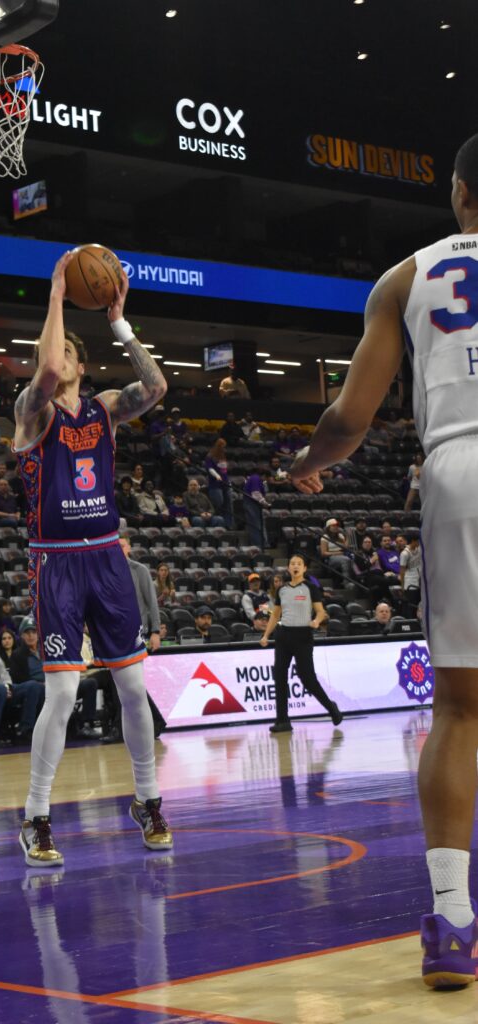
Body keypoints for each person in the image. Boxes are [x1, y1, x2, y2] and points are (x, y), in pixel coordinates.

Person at [288, 133, 478, 989]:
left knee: (461, 711)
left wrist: (307, 462)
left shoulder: (405, 277)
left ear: (458, 192)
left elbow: (348, 418)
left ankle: (451, 923)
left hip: (459, 468)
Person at [12, 251, 172, 866]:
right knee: (61, 696)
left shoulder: (105, 408)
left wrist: (120, 324)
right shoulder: (32, 412)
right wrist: (56, 291)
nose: (55, 362)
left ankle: (148, 800)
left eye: (66, 354)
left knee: (132, 686)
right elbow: (48, 367)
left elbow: (156, 388)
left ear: (84, 364)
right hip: (56, 562)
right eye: (49, 356)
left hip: (106, 558)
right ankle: (36, 816)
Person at [259, 553, 341, 733]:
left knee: (308, 679)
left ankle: (331, 708)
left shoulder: (311, 587)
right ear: (289, 568)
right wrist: (266, 635)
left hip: (303, 636)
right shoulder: (282, 590)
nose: (295, 566)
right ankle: (282, 720)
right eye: (292, 563)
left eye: (299, 563)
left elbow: (321, 611)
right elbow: (275, 614)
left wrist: (316, 621)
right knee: (279, 677)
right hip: (283, 636)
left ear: (304, 568)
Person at [0, 626, 45, 742]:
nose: (31, 636)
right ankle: (27, 729)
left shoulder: (46, 651)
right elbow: (17, 679)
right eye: (27, 633)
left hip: (48, 684)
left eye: (33, 632)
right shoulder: (17, 655)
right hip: (27, 687)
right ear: (22, 636)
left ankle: (69, 725)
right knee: (35, 687)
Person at [118, 536, 162, 651]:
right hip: (115, 632)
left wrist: (156, 632)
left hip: (138, 633)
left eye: (122, 546)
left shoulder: (140, 570)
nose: (118, 550)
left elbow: (152, 602)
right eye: (115, 547)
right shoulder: (105, 572)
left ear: (129, 548)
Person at [204, 438, 234, 528]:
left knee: (228, 504)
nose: (223, 448)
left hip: (225, 483)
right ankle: (219, 523)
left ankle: (229, 525)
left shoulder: (223, 456)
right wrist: (216, 475)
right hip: (215, 484)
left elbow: (224, 470)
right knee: (218, 502)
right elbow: (209, 468)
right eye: (222, 446)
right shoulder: (210, 456)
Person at [243, 468, 270, 549]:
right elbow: (255, 493)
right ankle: (258, 545)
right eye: (266, 478)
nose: (266, 480)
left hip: (255, 504)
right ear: (264, 475)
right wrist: (265, 503)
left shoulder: (256, 479)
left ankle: (263, 543)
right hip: (251, 504)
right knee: (255, 525)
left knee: (258, 524)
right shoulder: (255, 478)